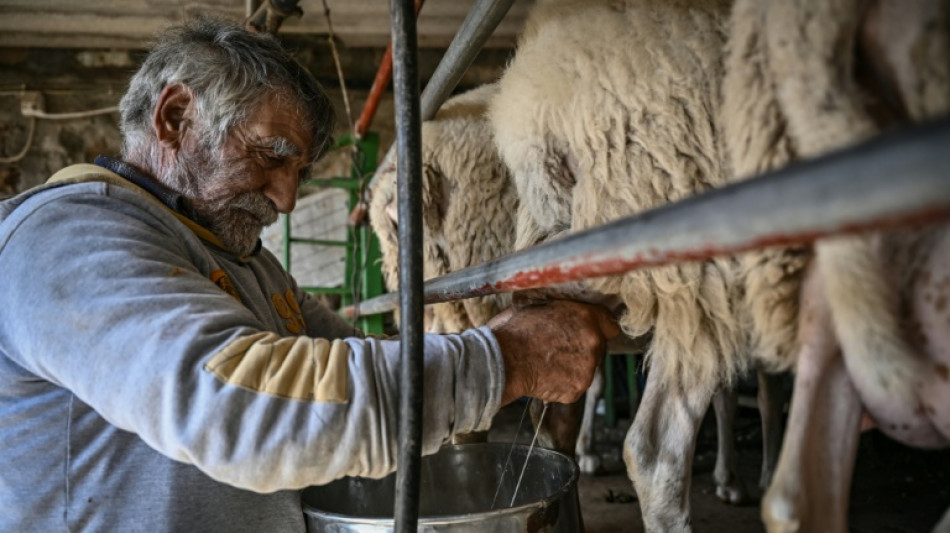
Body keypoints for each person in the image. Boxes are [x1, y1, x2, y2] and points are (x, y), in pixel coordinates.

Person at [0, 18, 618, 531]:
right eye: (272, 155)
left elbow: (340, 355)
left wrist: (488, 347)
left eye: (299, 171)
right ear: (175, 116)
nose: (287, 198)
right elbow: (236, 408)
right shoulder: (66, 238)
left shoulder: (246, 262)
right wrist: (503, 360)